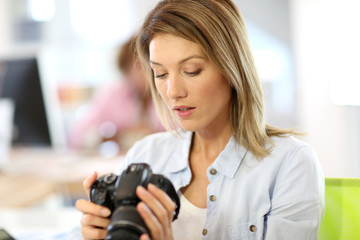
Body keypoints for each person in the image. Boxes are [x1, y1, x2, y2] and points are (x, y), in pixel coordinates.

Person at [76, 0, 325, 239]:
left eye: (191, 70)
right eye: (160, 73)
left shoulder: (290, 164)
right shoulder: (145, 155)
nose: (173, 91)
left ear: (232, 68)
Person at [68, 35, 163, 154]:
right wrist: (111, 136)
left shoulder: (170, 92)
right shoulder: (114, 93)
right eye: (139, 66)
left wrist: (156, 136)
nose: (147, 71)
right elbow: (76, 136)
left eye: (152, 65)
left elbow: (186, 136)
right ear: (125, 69)